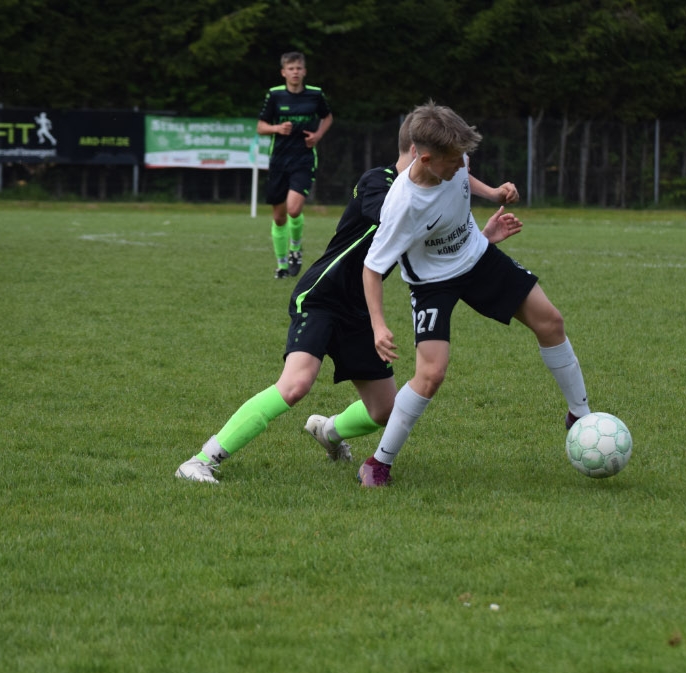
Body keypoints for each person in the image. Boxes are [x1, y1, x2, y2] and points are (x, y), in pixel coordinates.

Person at [175, 113, 521, 484]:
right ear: (418, 152)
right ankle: (200, 460)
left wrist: (478, 239)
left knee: (385, 409)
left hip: (360, 308)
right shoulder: (378, 183)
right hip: (323, 295)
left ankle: (328, 432)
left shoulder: (426, 191)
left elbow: (429, 232)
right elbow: (404, 223)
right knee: (296, 384)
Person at [360, 101, 591, 487]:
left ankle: (580, 415)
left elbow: (464, 177)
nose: (461, 164)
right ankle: (378, 463)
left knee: (551, 322)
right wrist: (378, 325)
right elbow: (371, 269)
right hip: (432, 283)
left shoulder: (453, 158)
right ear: (426, 158)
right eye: (454, 160)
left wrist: (493, 193)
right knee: (431, 374)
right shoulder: (403, 206)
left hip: (477, 256)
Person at [257, 51, 334, 279]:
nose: (295, 72)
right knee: (279, 217)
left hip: (303, 159)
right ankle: (282, 265)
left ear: (304, 71)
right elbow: (261, 126)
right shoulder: (275, 95)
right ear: (283, 72)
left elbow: (328, 117)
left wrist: (317, 135)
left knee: (293, 209)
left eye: (299, 68)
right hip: (279, 161)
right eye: (291, 69)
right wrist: (276, 128)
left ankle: (296, 249)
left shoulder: (315, 95)